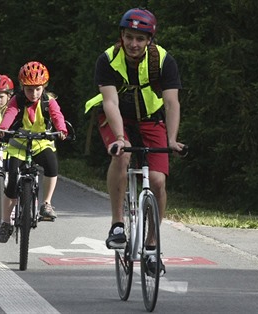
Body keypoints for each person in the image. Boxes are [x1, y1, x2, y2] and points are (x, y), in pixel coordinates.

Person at [91, 8, 186, 275]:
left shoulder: (164, 60)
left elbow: (171, 102)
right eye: (129, 37)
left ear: (149, 40)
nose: (134, 44)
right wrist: (120, 138)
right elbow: (109, 101)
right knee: (121, 155)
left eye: (140, 39)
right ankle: (117, 224)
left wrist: (172, 139)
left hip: (150, 118)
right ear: (122, 36)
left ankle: (153, 246)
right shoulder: (108, 59)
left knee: (157, 181)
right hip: (115, 117)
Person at [0, 61, 68, 243]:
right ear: (22, 87)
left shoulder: (48, 101)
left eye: (38, 89)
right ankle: (5, 223)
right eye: (29, 89)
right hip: (19, 144)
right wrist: (3, 127)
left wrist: (62, 129)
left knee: (52, 165)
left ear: (44, 87)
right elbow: (10, 113)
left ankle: (47, 203)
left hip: (41, 143)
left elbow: (58, 116)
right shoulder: (17, 100)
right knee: (11, 181)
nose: (34, 93)